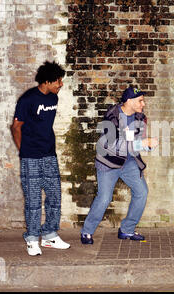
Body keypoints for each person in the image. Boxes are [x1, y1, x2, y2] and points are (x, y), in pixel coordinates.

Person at [80, 87, 158, 245]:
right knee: (104, 198)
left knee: (142, 192)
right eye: (140, 100)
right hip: (108, 164)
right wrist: (140, 143)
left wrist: (147, 145)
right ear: (129, 101)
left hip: (128, 162)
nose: (143, 104)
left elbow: (136, 142)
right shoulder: (111, 117)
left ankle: (127, 230)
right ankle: (87, 231)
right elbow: (110, 145)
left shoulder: (140, 118)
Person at [11, 61, 70, 256]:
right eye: (58, 81)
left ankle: (50, 235)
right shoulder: (27, 100)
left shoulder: (54, 98)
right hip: (31, 157)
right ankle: (32, 239)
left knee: (54, 197)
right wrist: (23, 150)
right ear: (46, 81)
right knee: (34, 199)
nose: (60, 84)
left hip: (49, 155)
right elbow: (16, 127)